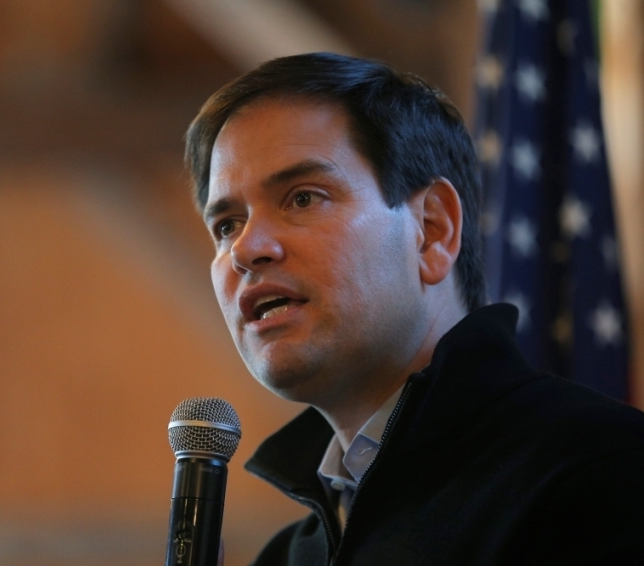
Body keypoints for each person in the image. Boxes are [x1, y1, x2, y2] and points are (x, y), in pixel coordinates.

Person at [184, 53, 644, 565]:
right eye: (226, 225)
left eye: (303, 198)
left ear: (432, 230)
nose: (247, 248)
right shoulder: (288, 558)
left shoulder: (603, 471)